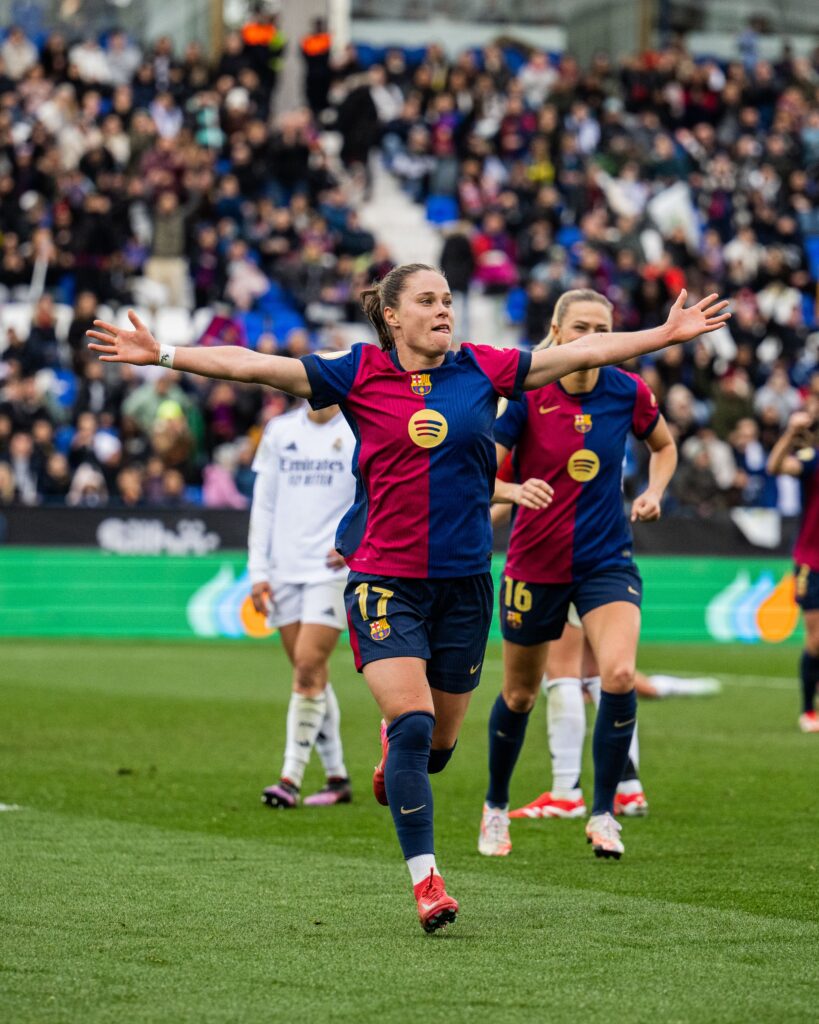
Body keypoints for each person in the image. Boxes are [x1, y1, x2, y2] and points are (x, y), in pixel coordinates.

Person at [88, 264, 729, 931]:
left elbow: (586, 351)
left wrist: (661, 334)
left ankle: (398, 753)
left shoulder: (485, 368)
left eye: (449, 299)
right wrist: (163, 352)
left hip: (463, 586)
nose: (443, 309)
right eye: (427, 300)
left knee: (438, 747)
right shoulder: (357, 371)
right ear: (392, 315)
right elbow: (255, 366)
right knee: (415, 723)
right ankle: (426, 882)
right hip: (383, 580)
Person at [479, 288, 678, 861]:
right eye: (581, 328)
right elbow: (480, 473)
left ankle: (603, 813)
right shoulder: (527, 394)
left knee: (617, 674)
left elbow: (663, 448)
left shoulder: (629, 391)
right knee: (519, 694)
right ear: (558, 333)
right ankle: (495, 806)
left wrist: (654, 490)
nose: (592, 339)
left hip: (606, 560)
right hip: (534, 564)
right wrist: (513, 490)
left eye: (603, 328)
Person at [249, 397, 356, 809]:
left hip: (330, 570)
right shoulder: (280, 432)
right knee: (310, 674)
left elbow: (376, 494)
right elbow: (264, 504)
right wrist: (258, 571)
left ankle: (289, 779)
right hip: (283, 570)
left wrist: (355, 542)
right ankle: (338, 776)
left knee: (309, 666)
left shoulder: (355, 430)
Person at [766, 407, 819, 733]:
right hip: (811, 561)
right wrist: (790, 431)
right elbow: (773, 466)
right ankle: (807, 710)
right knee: (816, 640)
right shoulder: (812, 458)